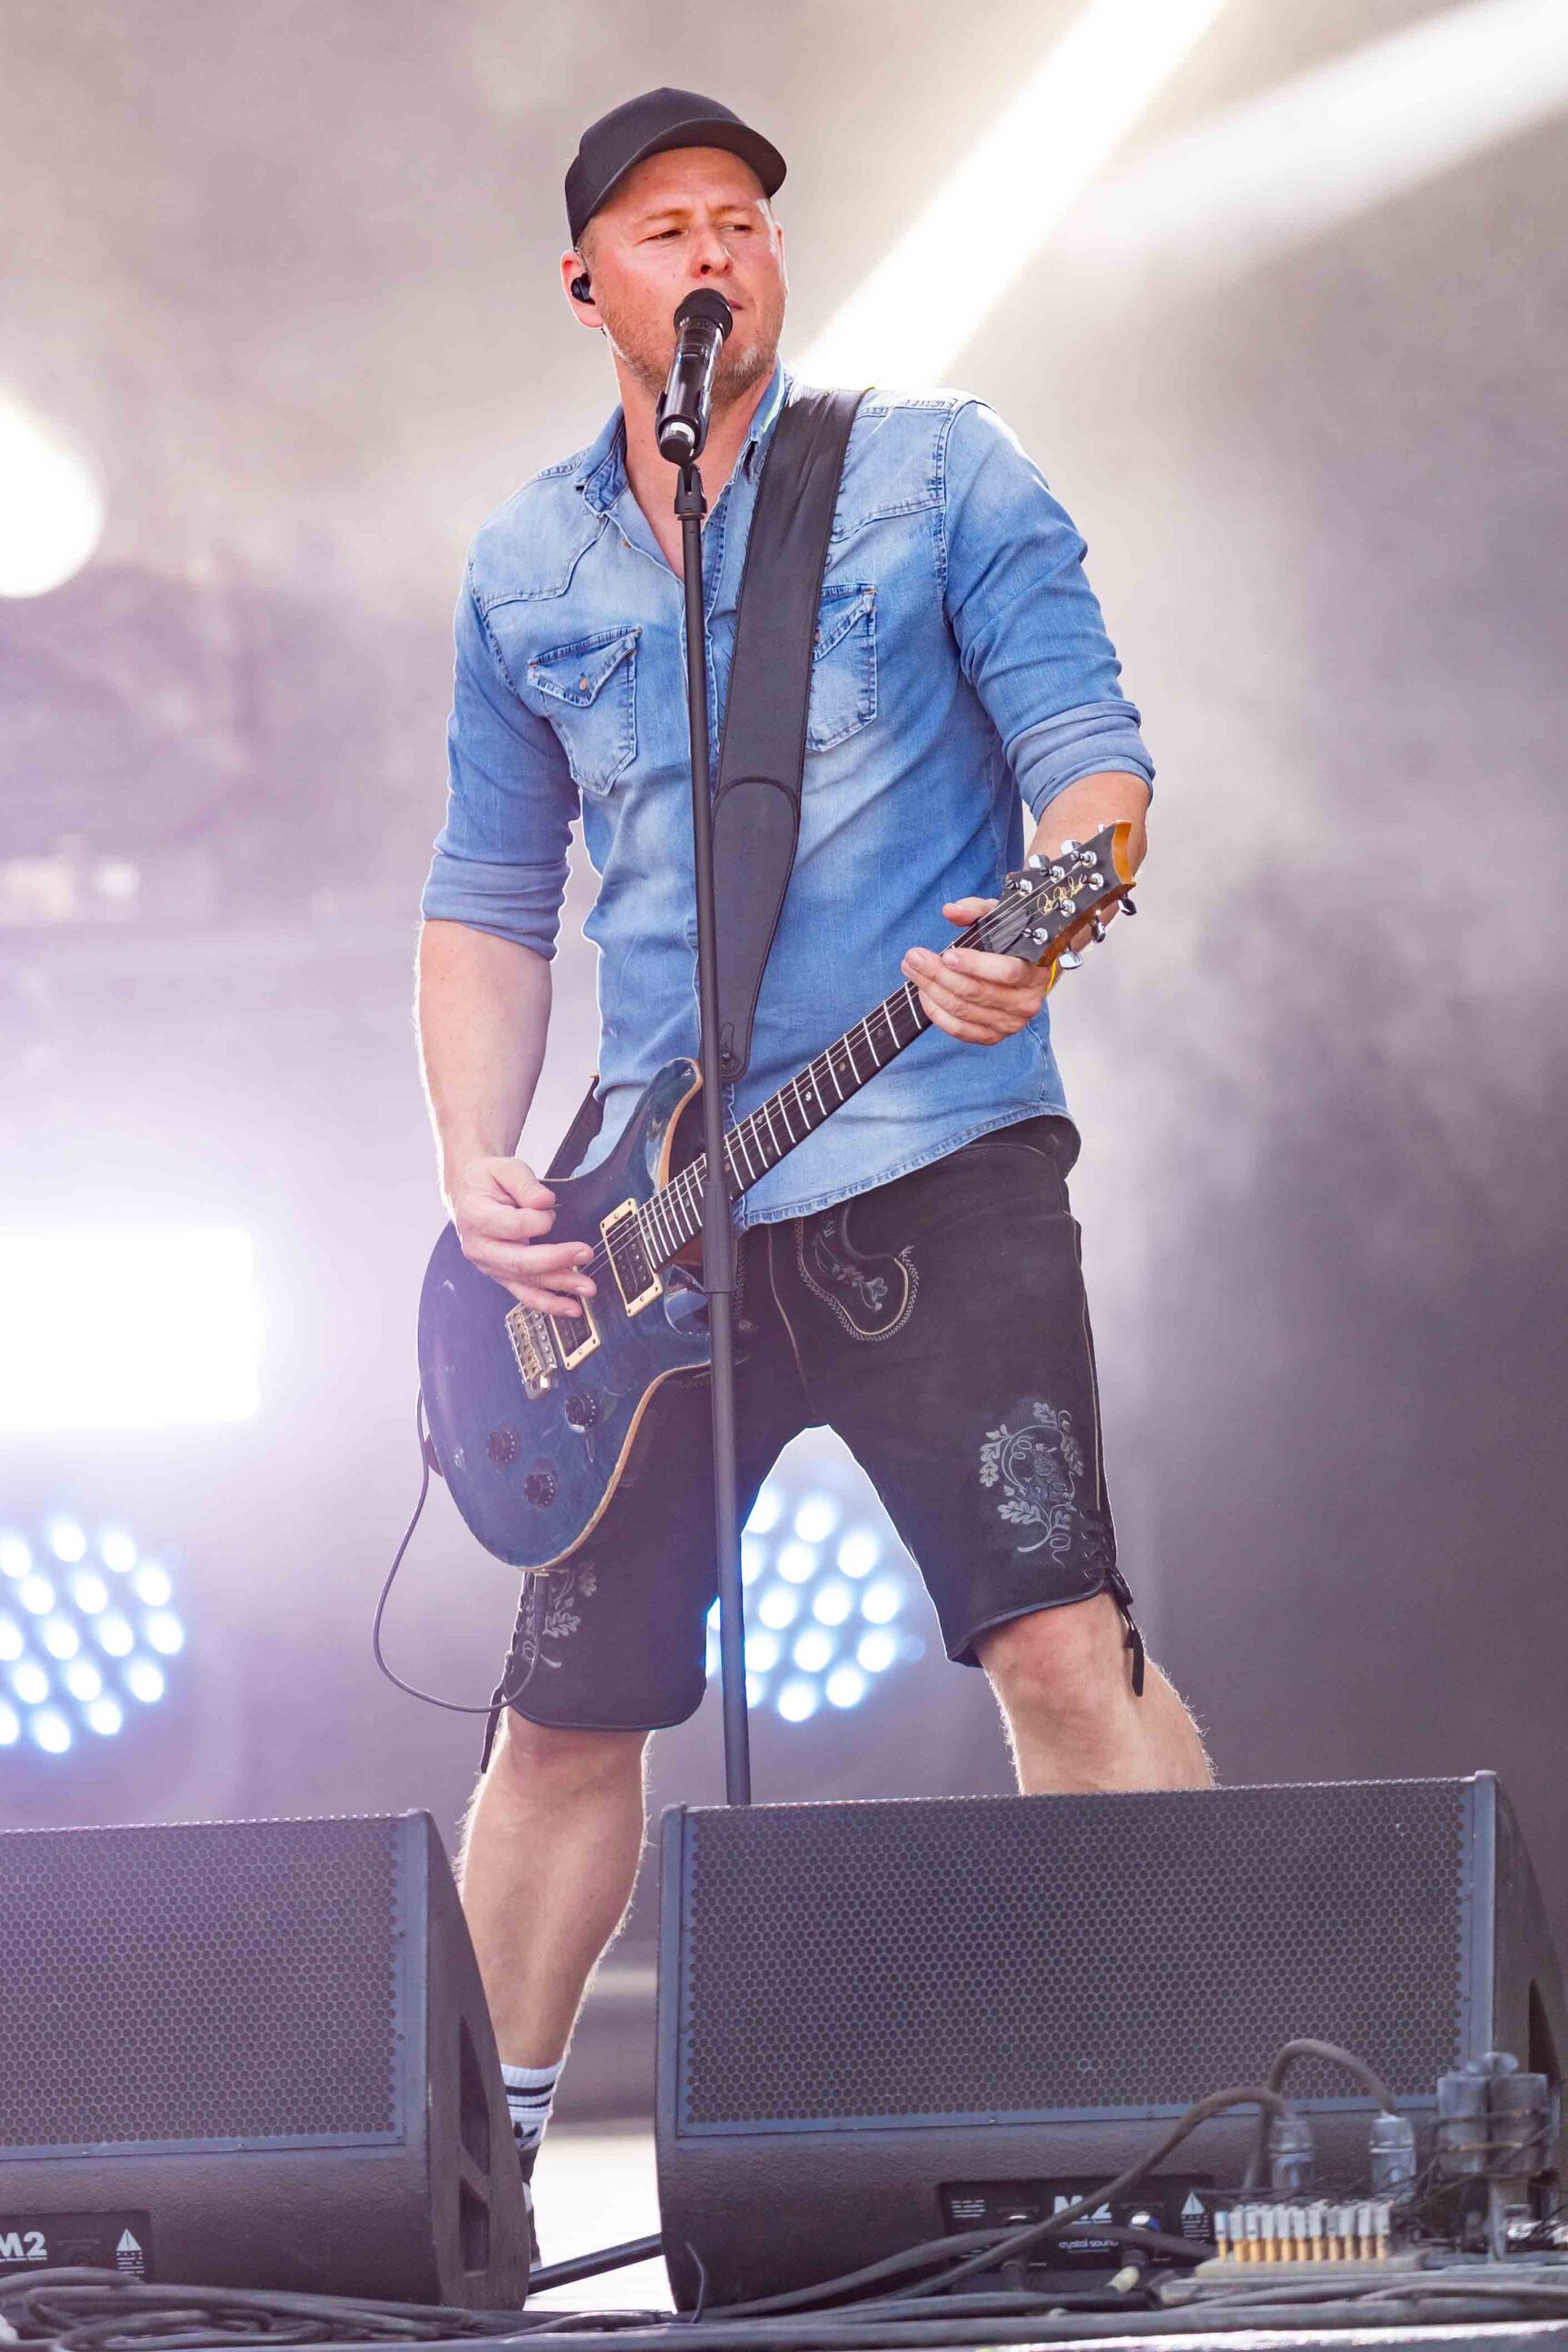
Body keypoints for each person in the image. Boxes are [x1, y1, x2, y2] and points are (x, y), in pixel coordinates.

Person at [415, 85, 1213, 2188]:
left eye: (742, 219)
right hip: (646, 1215)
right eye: (663, 226)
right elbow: (486, 892)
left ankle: (1177, 2122)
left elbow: (1093, 767)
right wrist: (474, 1153)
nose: (714, 250)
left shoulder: (937, 471)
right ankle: (464, 2188)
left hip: (923, 1144)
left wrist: (1037, 925)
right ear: (585, 282)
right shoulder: (523, 561)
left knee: (1055, 1630)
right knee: (565, 1711)